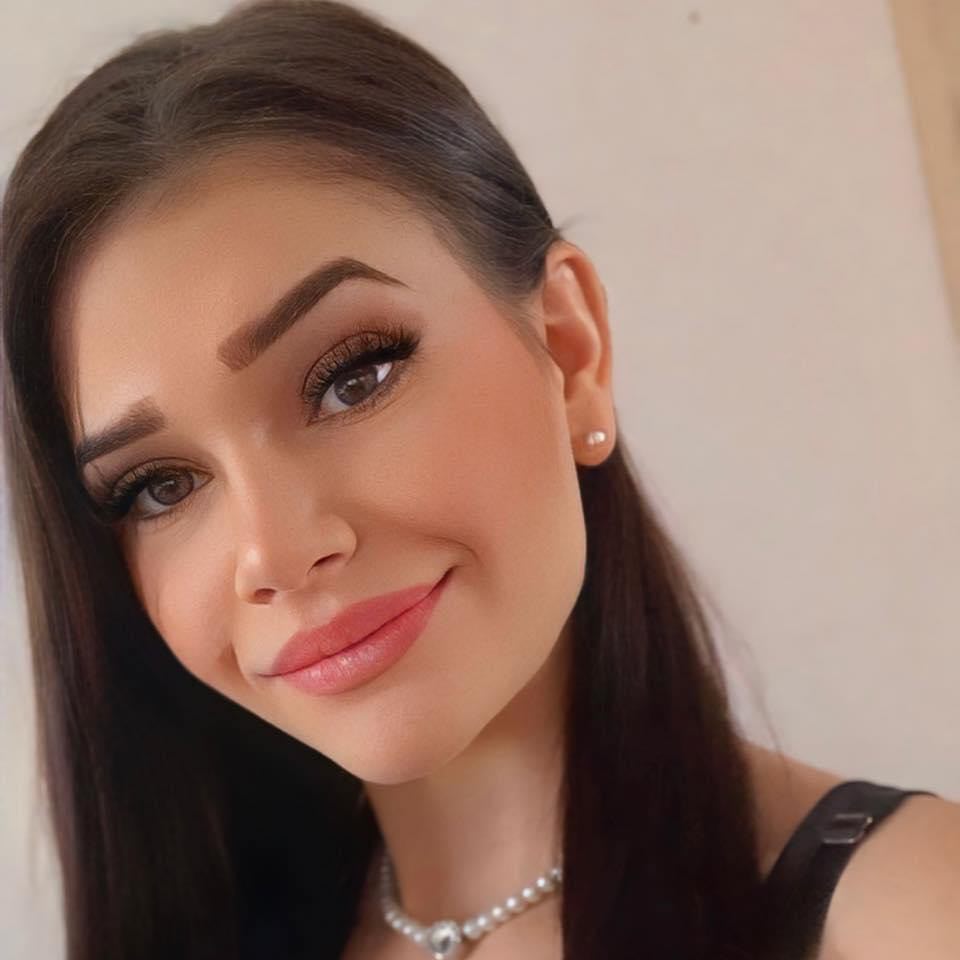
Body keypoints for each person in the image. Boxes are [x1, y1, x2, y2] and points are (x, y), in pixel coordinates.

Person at [1, 2, 958, 958]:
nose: (275, 552)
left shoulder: (908, 919)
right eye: (161, 486)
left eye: (351, 379)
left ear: (570, 348)